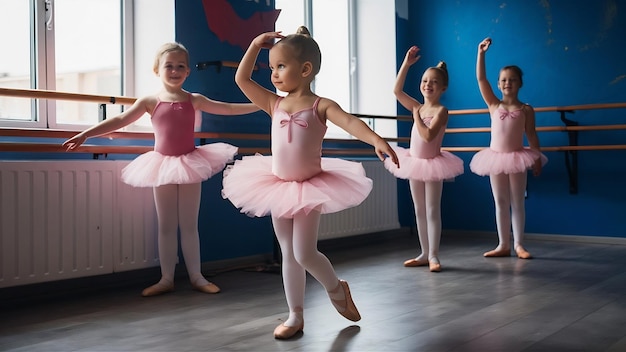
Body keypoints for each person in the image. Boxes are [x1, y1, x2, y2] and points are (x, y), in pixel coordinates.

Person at [222, 26, 399, 340]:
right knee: (288, 253)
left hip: (308, 187)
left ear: (305, 70)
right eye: (272, 67)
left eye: (280, 66)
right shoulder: (273, 104)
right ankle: (295, 315)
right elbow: (241, 79)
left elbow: (350, 121)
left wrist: (375, 139)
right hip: (276, 186)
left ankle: (335, 287)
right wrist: (253, 44)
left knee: (304, 253)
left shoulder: (321, 105)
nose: (273, 74)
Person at [63, 42, 259, 297]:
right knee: (166, 224)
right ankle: (166, 278)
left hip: (190, 163)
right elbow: (120, 120)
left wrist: (265, 104)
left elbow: (229, 108)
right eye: (169, 66)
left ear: (188, 72)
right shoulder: (150, 101)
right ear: (157, 70)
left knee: (189, 224)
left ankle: (197, 277)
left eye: (180, 66)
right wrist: (85, 134)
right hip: (161, 165)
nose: (175, 70)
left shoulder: (194, 100)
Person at [384, 46, 464, 273]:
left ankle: (435, 255)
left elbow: (428, 135)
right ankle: (423, 252)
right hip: (414, 162)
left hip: (433, 164)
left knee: (431, 209)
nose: (428, 84)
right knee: (419, 210)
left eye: (434, 82)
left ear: (443, 87)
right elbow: (397, 91)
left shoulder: (441, 110)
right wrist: (406, 64)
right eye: (425, 81)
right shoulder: (417, 106)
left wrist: (417, 116)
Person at [471, 37, 547, 259]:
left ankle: (519, 244)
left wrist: (536, 160)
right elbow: (480, 78)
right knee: (500, 201)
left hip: (517, 158)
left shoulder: (526, 109)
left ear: (520, 83)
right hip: (495, 158)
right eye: (503, 80)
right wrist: (481, 53)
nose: (507, 83)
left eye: (512, 80)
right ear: (498, 84)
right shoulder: (494, 105)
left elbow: (532, 135)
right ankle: (503, 244)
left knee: (517, 201)